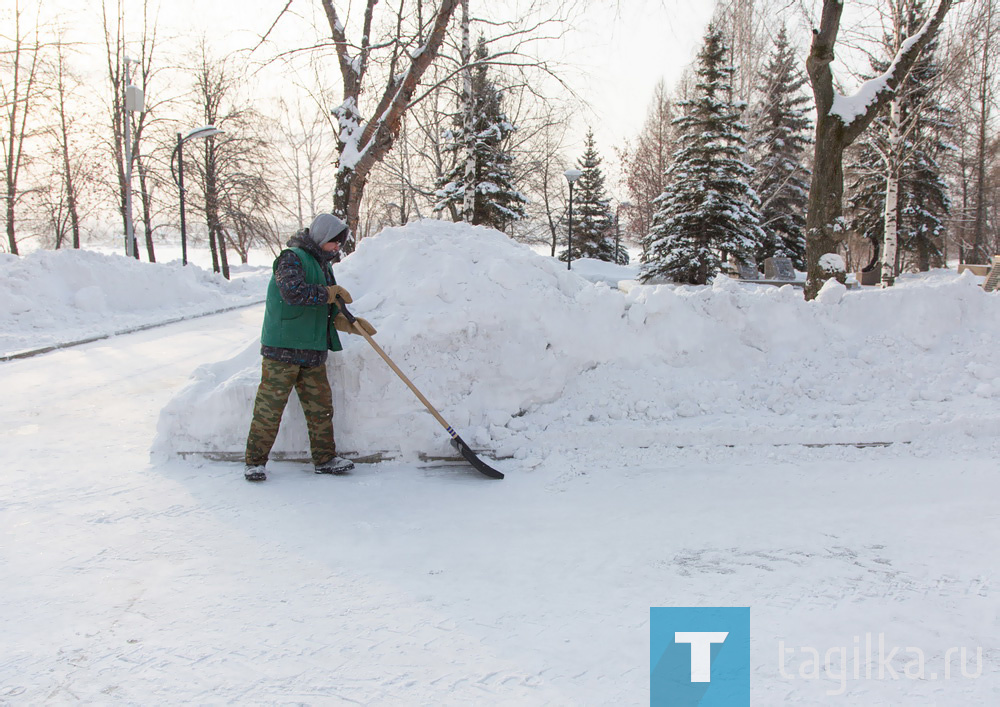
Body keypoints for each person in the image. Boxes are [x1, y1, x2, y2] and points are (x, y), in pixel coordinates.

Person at [244, 213, 376, 482]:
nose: (337, 247)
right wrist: (329, 293)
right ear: (322, 237)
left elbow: (323, 306)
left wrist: (345, 321)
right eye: (334, 242)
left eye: (340, 243)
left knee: (321, 408)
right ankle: (255, 463)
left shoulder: (323, 264)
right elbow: (292, 292)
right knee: (269, 408)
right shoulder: (291, 257)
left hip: (312, 350)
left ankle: (325, 459)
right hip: (282, 349)